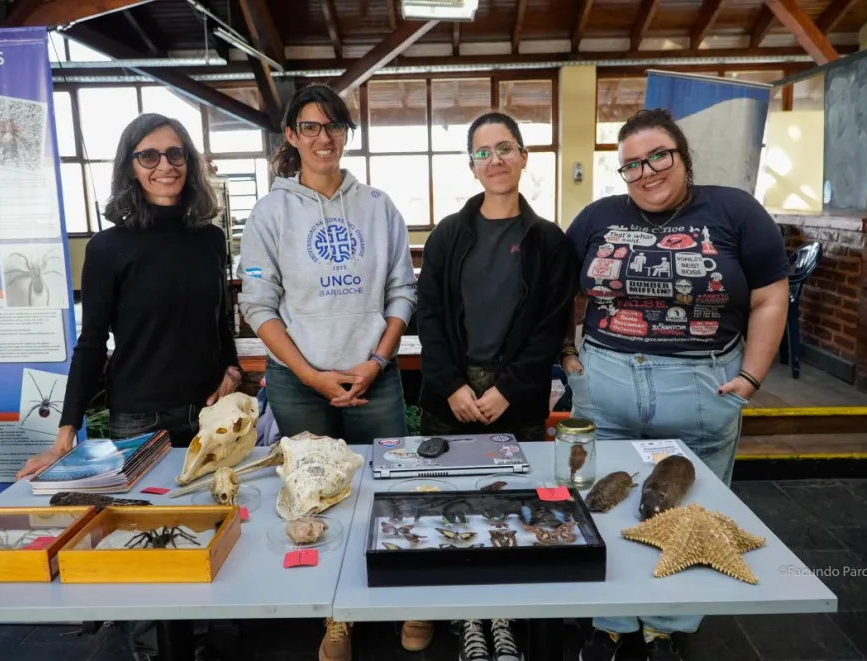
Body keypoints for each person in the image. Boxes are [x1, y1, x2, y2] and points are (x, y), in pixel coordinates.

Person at [563, 108, 790, 661]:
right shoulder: (596, 217)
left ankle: (666, 624)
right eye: (631, 164)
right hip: (608, 381)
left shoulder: (735, 211)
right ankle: (612, 619)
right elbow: (565, 293)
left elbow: (769, 296)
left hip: (702, 385)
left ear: (683, 158)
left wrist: (752, 376)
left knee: (691, 511)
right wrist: (568, 353)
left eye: (657, 156)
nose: (646, 171)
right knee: (602, 504)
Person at [15, 113, 242, 661]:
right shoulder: (109, 247)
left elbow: (220, 319)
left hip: (209, 415)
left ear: (189, 164)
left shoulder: (210, 239)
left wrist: (233, 371)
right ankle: (150, 646)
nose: (165, 166)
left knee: (211, 528)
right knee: (146, 542)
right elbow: (92, 344)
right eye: (149, 156)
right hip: (140, 419)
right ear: (131, 167)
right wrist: (65, 433)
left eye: (175, 154)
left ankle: (201, 637)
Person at [235, 83, 416, 661]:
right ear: (291, 135)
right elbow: (258, 303)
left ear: (346, 136)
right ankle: (336, 613)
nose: (323, 138)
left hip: (374, 377)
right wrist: (311, 375)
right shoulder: (271, 211)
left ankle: (403, 599)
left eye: (334, 127)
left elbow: (401, 292)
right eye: (310, 127)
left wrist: (376, 362)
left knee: (390, 488)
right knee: (313, 497)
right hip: (298, 381)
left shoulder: (379, 205)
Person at [413, 111, 578, 661]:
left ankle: (504, 613)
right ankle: (467, 614)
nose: (496, 159)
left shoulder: (547, 240)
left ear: (524, 157)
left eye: (505, 147)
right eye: (483, 152)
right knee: (455, 506)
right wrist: (453, 385)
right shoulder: (447, 236)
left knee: (512, 509)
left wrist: (508, 389)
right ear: (472, 166)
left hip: (519, 396)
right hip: (450, 397)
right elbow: (429, 319)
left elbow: (550, 326)